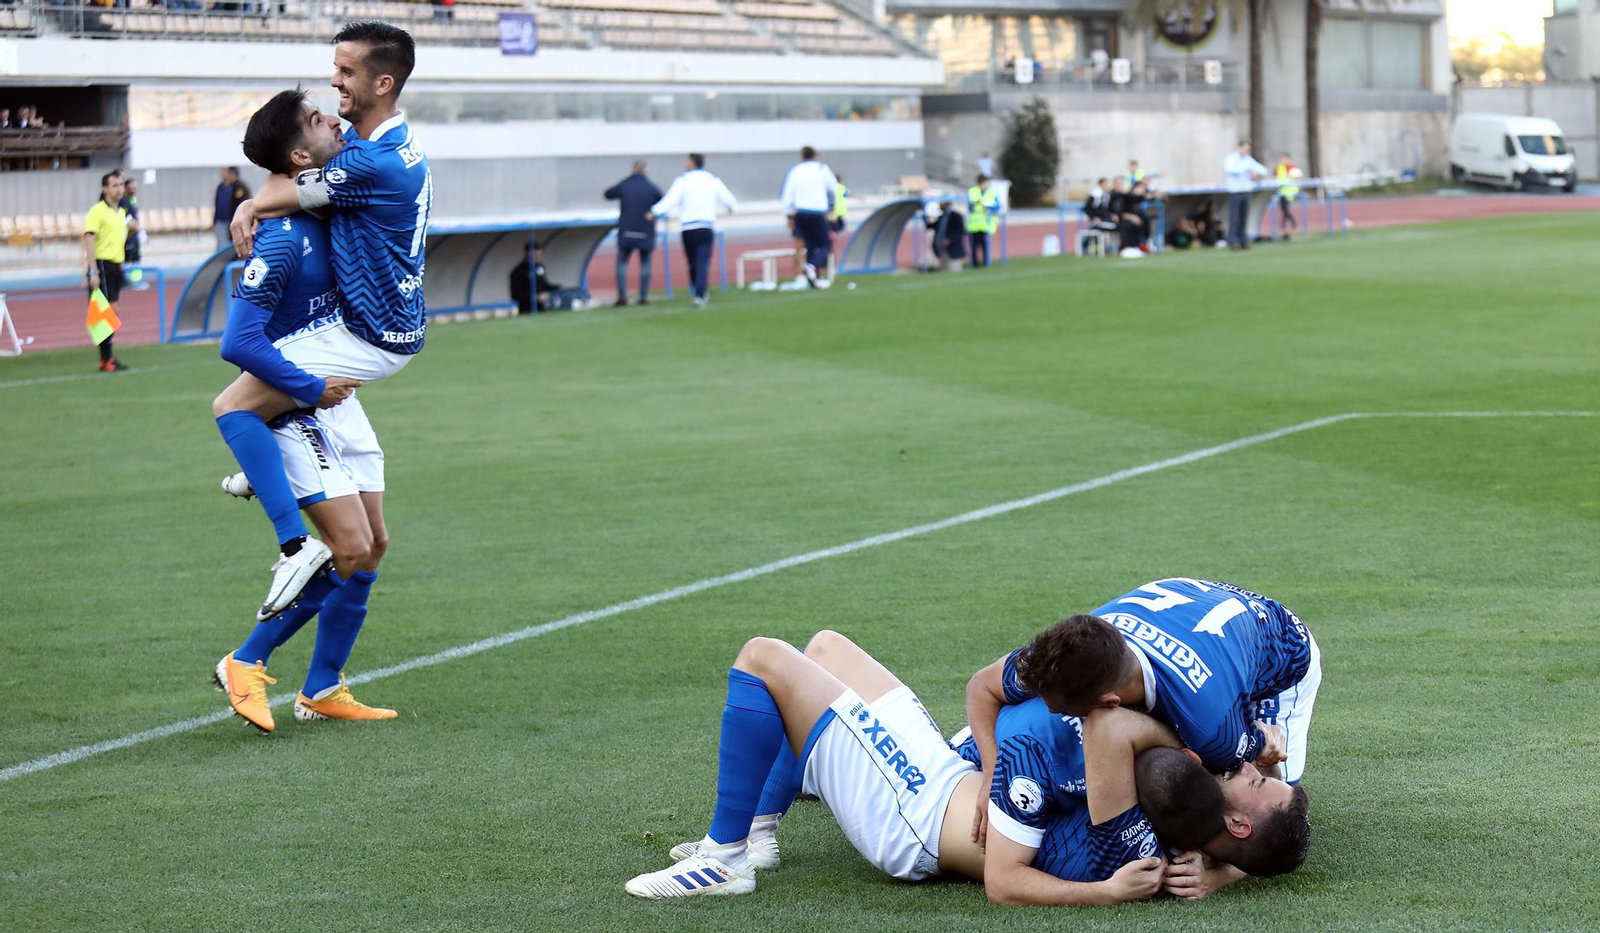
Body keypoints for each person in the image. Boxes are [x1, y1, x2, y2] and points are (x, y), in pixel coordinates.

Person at [624, 630, 1197, 903]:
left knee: (763, 658)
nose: (1253, 775)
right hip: (941, 774)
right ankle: (758, 835)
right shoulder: (1184, 782)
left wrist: (1112, 894)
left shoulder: (1128, 798)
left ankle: (724, 861)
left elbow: (1005, 883)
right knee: (825, 648)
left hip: (911, 818)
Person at [224, 21, 430, 621]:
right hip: (386, 323)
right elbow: (295, 171)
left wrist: (253, 202)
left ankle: (290, 542)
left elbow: (297, 181)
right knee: (371, 543)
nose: (334, 83)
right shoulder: (395, 145)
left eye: (345, 73)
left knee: (233, 406)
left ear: (382, 81)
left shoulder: (372, 162)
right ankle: (265, 466)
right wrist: (263, 193)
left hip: (369, 329)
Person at [210, 89, 394, 732]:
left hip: (334, 401)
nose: (335, 121)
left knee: (371, 548)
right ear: (297, 152)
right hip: (300, 404)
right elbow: (239, 342)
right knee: (344, 547)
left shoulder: (319, 201)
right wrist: (310, 389)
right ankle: (246, 659)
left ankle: (321, 688)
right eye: (320, 120)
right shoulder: (282, 238)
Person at [965, 578, 1319, 884]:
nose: (1047, 708)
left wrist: (1216, 873)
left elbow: (1266, 816)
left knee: (1277, 803)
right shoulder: (1075, 653)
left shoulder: (1213, 731)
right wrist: (993, 776)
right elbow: (982, 686)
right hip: (1183, 608)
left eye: (1056, 707)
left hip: (1279, 652)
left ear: (1110, 701)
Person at [648, 152, 736, 310]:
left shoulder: (683, 181)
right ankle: (700, 292)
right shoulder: (712, 180)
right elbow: (729, 200)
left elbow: (670, 200)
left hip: (689, 227)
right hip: (705, 226)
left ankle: (698, 291)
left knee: (693, 262)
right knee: (702, 261)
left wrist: (653, 212)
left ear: (691, 163)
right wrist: (731, 208)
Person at [82, 170, 137, 372]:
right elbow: (89, 239)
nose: (119, 189)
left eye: (121, 184)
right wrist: (93, 271)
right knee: (105, 312)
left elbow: (133, 228)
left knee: (111, 311)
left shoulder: (121, 212)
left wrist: (130, 231)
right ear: (105, 189)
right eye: (114, 185)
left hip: (115, 265)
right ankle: (107, 359)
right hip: (102, 264)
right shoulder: (97, 211)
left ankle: (107, 358)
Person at [603, 160, 661, 307]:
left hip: (627, 230)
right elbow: (662, 200)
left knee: (622, 263)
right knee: (645, 263)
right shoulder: (650, 187)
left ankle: (622, 296)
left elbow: (608, 194)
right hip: (645, 231)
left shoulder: (625, 185)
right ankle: (643, 296)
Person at [780, 145, 838, 288]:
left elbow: (787, 196)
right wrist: (835, 210)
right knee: (825, 244)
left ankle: (813, 278)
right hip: (817, 212)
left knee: (810, 245)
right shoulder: (821, 169)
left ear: (802, 156)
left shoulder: (795, 171)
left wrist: (788, 216)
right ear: (815, 156)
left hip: (800, 213)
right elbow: (835, 188)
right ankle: (812, 266)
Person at [1224, 141, 1268, 250]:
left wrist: (1254, 172)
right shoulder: (1231, 159)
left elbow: (1263, 170)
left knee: (1244, 216)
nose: (1246, 151)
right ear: (1239, 148)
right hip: (1234, 191)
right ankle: (1233, 240)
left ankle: (1243, 240)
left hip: (1246, 191)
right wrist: (1246, 170)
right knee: (1234, 216)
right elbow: (1231, 170)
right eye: (1245, 149)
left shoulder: (1248, 160)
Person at [509, 242, 556, 314]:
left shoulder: (540, 267)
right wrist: (535, 297)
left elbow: (544, 285)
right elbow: (516, 295)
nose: (539, 257)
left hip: (543, 308)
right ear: (529, 253)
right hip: (526, 310)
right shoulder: (518, 271)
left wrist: (559, 287)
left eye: (540, 255)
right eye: (537, 255)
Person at [966, 174, 1000, 268]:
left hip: (986, 224)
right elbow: (970, 206)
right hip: (974, 224)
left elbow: (997, 206)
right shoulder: (972, 191)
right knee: (973, 246)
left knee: (986, 246)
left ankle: (986, 263)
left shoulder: (992, 192)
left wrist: (988, 206)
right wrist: (976, 204)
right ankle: (974, 264)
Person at [214, 166, 250, 250]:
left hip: (233, 219)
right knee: (222, 243)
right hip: (222, 219)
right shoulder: (221, 187)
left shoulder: (239, 187)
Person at [926, 200, 966, 271]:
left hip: (953, 251)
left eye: (942, 203)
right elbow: (930, 226)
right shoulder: (941, 217)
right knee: (944, 271)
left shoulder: (956, 216)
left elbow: (960, 231)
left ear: (947, 204)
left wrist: (950, 239)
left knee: (954, 271)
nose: (939, 205)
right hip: (942, 250)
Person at [1274, 153, 1303, 239]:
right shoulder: (1279, 167)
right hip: (1281, 191)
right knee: (1284, 210)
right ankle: (1290, 225)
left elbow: (1299, 177)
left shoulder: (1293, 168)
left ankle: (1285, 226)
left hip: (1289, 192)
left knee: (1285, 209)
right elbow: (1276, 177)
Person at [119, 176, 142, 275]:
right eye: (130, 188)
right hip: (127, 234)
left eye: (134, 188)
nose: (133, 190)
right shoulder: (123, 201)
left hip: (134, 234)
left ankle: (136, 279)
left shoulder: (132, 200)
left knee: (136, 257)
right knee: (127, 258)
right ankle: (126, 280)